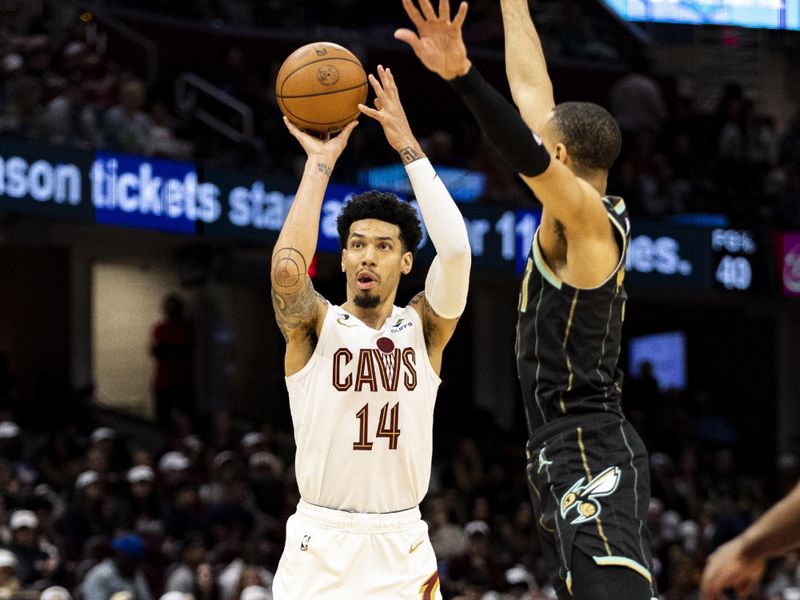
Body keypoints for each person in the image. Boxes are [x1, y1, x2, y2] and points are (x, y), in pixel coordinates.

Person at [396, 1, 655, 598]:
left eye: (547, 140)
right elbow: (533, 88)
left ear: (560, 155)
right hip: (557, 444)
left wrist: (463, 76)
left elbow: (526, 150)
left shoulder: (591, 226)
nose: (537, 134)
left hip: (590, 440)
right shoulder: (577, 199)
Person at [269, 64, 471, 599]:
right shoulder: (315, 325)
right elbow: (288, 272)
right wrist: (318, 165)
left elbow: (455, 251)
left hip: (400, 542)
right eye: (357, 244)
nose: (367, 255)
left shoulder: (425, 328)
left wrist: (407, 145)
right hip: (321, 541)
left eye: (384, 246)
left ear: (407, 263)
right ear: (342, 259)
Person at [701, 480, 800, 599]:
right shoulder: (728, 521)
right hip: (734, 569)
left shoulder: (754, 518)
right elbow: (716, 547)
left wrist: (748, 547)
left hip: (748, 565)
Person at [150, 294, 195, 427]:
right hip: (163, 382)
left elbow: (186, 349)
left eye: (174, 307)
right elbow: (157, 352)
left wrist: (170, 349)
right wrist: (173, 349)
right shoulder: (160, 328)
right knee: (162, 420)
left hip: (184, 382)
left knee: (187, 419)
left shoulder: (188, 327)